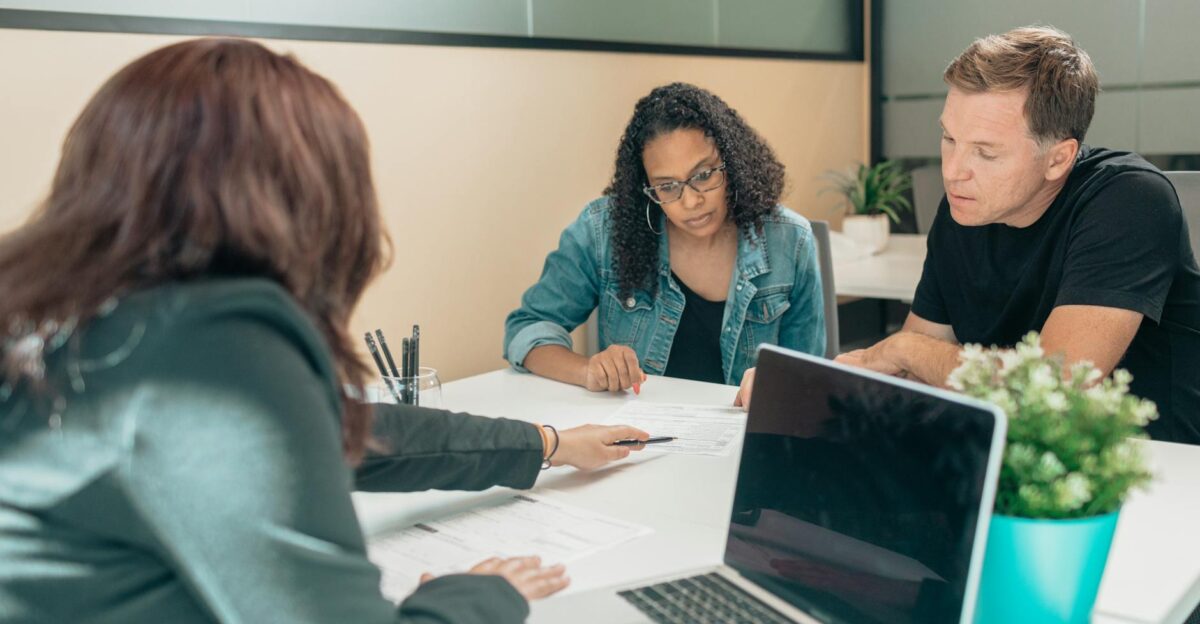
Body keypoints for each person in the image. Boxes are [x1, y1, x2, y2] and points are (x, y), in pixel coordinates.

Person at [0, 38, 649, 624]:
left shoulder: (78, 319)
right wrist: (476, 596)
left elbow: (343, 432)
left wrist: (548, 443)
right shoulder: (208, 342)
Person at [809, 27, 1199, 443]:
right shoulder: (965, 208)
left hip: (1152, 467)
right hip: (1015, 454)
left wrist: (907, 350)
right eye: (949, 138)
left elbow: (1058, 385)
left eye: (986, 152)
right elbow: (912, 374)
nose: (954, 170)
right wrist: (811, 391)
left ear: (1058, 159)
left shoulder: (1129, 200)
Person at [504, 82, 825, 400]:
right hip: (636, 439)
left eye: (703, 175)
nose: (690, 201)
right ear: (646, 187)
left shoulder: (789, 240)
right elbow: (527, 328)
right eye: (667, 186)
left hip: (740, 439)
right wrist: (588, 370)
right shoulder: (603, 230)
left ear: (733, 162)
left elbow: (808, 375)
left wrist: (779, 384)